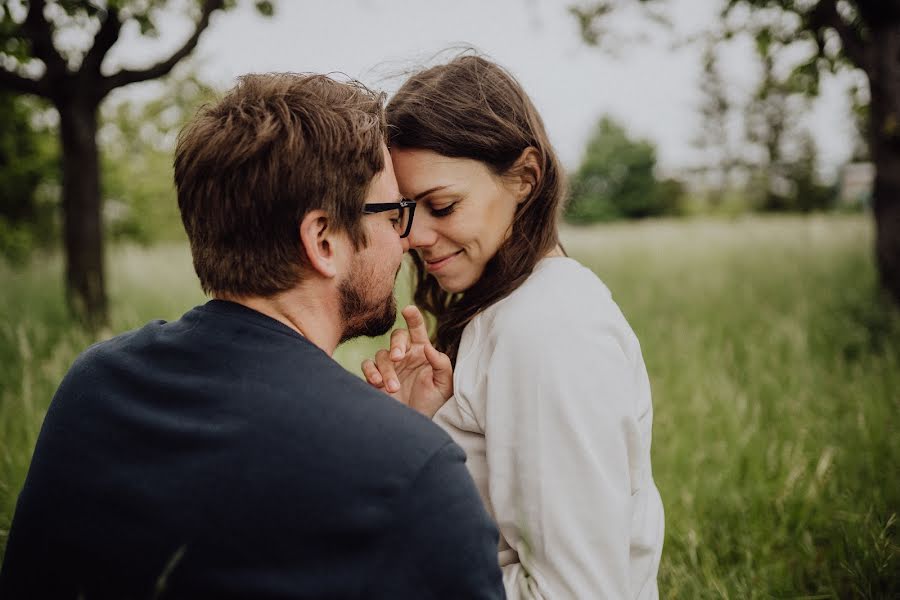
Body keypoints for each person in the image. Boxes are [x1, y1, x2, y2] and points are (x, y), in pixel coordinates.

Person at [0, 73, 504, 600]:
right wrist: (404, 446)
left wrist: (393, 431)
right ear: (324, 240)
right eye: (393, 213)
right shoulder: (415, 470)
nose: (406, 242)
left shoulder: (94, 385)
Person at [362, 55, 665, 599]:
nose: (415, 237)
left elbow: (578, 591)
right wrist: (413, 429)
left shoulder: (547, 332)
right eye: (406, 210)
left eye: (443, 205)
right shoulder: (508, 313)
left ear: (525, 177)